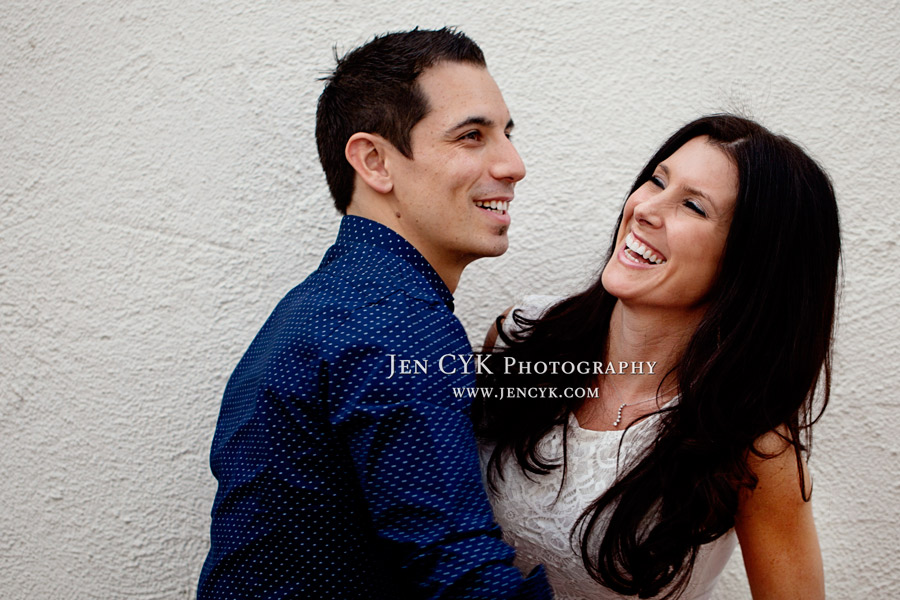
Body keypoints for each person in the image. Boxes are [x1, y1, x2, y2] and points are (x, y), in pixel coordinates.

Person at [198, 28, 552, 599]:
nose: (513, 164)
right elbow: (464, 579)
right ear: (374, 161)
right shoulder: (396, 322)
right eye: (471, 136)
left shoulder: (325, 303)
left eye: (507, 134)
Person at [477, 114, 840, 600]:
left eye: (693, 206)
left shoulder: (754, 448)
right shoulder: (520, 335)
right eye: (657, 180)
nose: (646, 208)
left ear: (750, 263)